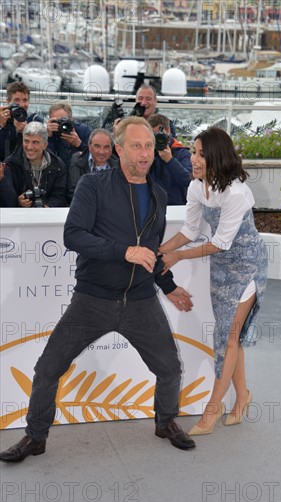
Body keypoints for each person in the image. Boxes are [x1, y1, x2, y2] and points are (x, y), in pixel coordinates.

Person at [0, 116, 196, 463]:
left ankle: (165, 423)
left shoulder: (159, 194)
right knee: (47, 369)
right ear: (119, 150)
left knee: (169, 368)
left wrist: (168, 286)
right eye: (136, 145)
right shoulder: (93, 185)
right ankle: (35, 436)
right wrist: (123, 251)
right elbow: (73, 235)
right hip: (92, 300)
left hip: (140, 301)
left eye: (149, 146)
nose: (145, 153)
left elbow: (151, 249)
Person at [159, 127, 268, 435]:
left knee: (227, 338)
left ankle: (212, 409)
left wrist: (178, 258)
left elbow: (220, 242)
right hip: (220, 267)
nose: (193, 159)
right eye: (193, 152)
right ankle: (242, 397)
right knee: (229, 338)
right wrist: (161, 250)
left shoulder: (236, 192)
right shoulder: (196, 187)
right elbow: (189, 231)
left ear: (217, 158)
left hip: (247, 266)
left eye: (201, 155)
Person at [1, 121, 67, 207]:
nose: (29, 147)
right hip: (19, 216)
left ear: (45, 145)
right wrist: (18, 202)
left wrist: (49, 206)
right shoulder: (10, 164)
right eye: (26, 141)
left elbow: (60, 196)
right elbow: (6, 200)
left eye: (35, 142)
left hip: (47, 217)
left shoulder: (58, 165)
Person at [147, 113, 191, 205]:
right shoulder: (147, 153)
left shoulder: (182, 153)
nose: (157, 139)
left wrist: (170, 160)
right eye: (153, 136)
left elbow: (188, 180)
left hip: (175, 206)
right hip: (151, 205)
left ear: (169, 131)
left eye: (160, 134)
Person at [67, 128, 119, 204]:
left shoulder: (119, 166)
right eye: (97, 146)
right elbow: (73, 193)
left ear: (111, 149)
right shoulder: (77, 162)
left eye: (106, 147)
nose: (102, 151)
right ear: (89, 147)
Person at [0, 82, 43, 162]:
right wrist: (2, 126)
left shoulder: (35, 121)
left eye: (25, 100)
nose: (22, 105)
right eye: (17, 100)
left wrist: (27, 131)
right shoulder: (3, 119)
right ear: (8, 102)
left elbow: (42, 152)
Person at [46, 102, 92, 167]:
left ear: (72, 119)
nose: (61, 125)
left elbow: (94, 156)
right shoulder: (51, 133)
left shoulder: (84, 131)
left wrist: (79, 144)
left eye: (64, 120)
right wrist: (48, 137)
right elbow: (47, 159)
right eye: (57, 122)